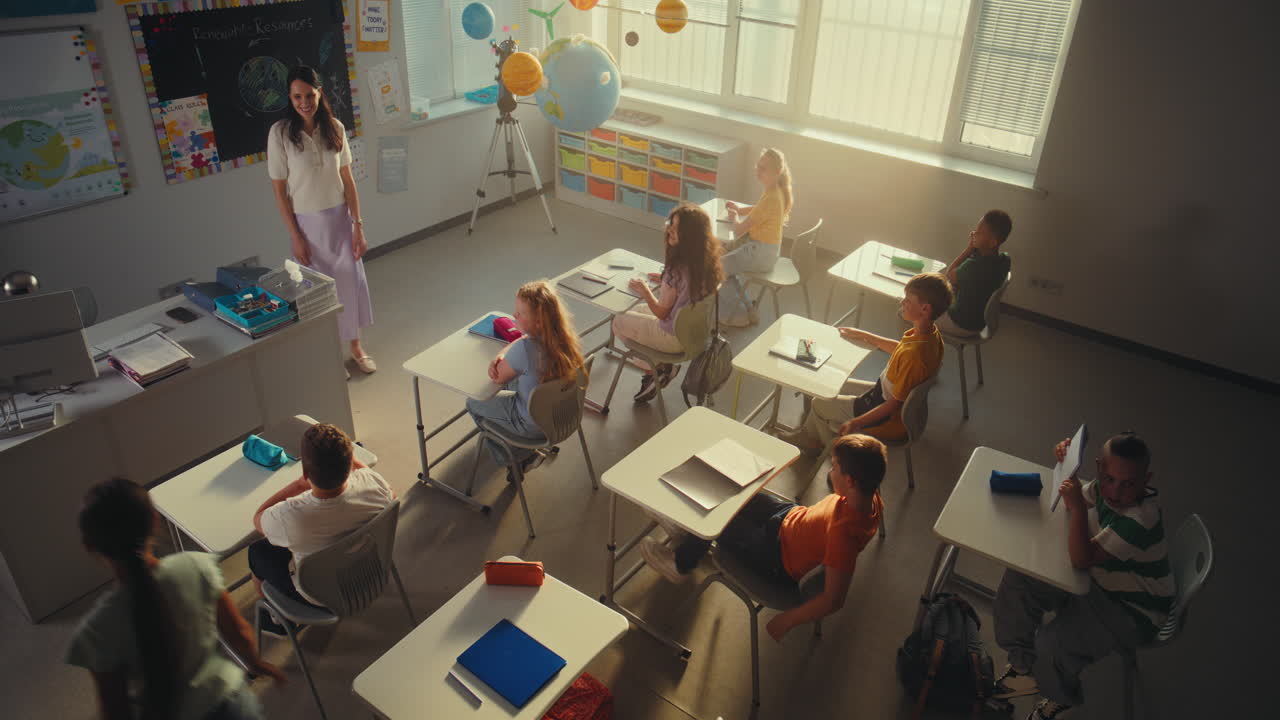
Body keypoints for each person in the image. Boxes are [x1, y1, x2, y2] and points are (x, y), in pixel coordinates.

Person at [992, 433, 1174, 720]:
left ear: (1146, 479)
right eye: (1109, 479)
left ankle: (1060, 700)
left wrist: (1077, 506)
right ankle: (1022, 667)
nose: (1115, 491)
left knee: (1052, 646)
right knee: (1020, 580)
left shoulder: (1140, 519)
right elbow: (1077, 502)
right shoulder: (1104, 489)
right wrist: (1069, 473)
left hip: (1132, 610)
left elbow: (1081, 558)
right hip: (1100, 580)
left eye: (1129, 484)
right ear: (1100, 468)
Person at [67, 478, 284, 720]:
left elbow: (115, 710)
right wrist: (255, 663)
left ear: (89, 545)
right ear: (154, 520)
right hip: (231, 706)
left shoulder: (97, 630)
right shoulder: (195, 566)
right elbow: (239, 632)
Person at [640, 434, 885, 641]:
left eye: (834, 468)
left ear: (851, 481)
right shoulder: (870, 498)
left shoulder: (845, 534)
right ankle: (691, 533)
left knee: (716, 515)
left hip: (775, 557)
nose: (830, 472)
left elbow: (834, 598)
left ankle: (680, 564)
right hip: (787, 520)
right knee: (731, 489)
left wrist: (787, 621)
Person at [268, 65, 375, 377]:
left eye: (310, 95)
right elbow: (279, 192)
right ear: (290, 97)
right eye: (297, 96)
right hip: (307, 227)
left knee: (349, 283)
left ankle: (356, 347)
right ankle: (330, 353)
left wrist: (358, 226)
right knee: (318, 293)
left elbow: (349, 181)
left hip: (341, 221)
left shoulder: (336, 128)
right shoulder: (280, 134)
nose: (304, 102)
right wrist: (296, 236)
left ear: (319, 93)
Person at [780, 272, 952, 453]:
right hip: (881, 393)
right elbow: (901, 349)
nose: (902, 303)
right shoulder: (929, 335)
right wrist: (865, 336)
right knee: (829, 386)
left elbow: (894, 404)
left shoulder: (915, 355)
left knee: (818, 403)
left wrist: (856, 422)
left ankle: (829, 451)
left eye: (908, 300)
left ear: (925, 309)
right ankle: (810, 436)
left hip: (886, 414)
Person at [249, 423, 395, 634]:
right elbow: (390, 493)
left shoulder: (291, 518)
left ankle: (278, 622)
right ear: (350, 463)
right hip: (370, 572)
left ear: (307, 472)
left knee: (257, 552)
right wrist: (345, 457)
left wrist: (299, 485)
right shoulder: (376, 485)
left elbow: (258, 519)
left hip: (319, 596)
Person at [467, 280, 586, 476]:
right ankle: (522, 453)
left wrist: (501, 357)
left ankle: (515, 457)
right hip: (563, 415)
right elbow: (520, 342)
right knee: (517, 380)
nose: (514, 315)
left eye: (520, 313)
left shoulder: (526, 349)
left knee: (474, 402)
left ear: (538, 321)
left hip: (532, 427)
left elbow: (498, 377)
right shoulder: (566, 339)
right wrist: (506, 353)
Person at [610, 203, 723, 404]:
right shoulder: (707, 262)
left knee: (617, 320)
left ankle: (655, 370)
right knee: (632, 310)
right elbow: (685, 289)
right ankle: (663, 367)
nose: (669, 229)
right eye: (671, 224)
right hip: (695, 334)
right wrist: (666, 282)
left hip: (673, 337)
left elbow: (662, 313)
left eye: (676, 228)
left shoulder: (676, 270)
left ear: (689, 235)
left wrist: (646, 290)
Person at [719, 148, 794, 327]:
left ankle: (737, 315)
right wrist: (739, 209)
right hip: (766, 252)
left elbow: (739, 230)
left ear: (776, 172)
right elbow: (757, 208)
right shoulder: (776, 191)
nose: (758, 171)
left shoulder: (772, 197)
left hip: (758, 253)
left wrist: (734, 217)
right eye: (758, 166)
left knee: (717, 267)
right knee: (726, 265)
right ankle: (747, 306)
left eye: (763, 168)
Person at [936, 209, 1013, 337]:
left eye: (979, 232)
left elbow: (949, 276)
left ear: (993, 242)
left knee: (906, 312)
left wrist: (969, 248)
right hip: (980, 322)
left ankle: (909, 353)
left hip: (962, 324)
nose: (974, 234)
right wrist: (976, 248)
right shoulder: (1005, 260)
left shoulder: (974, 266)